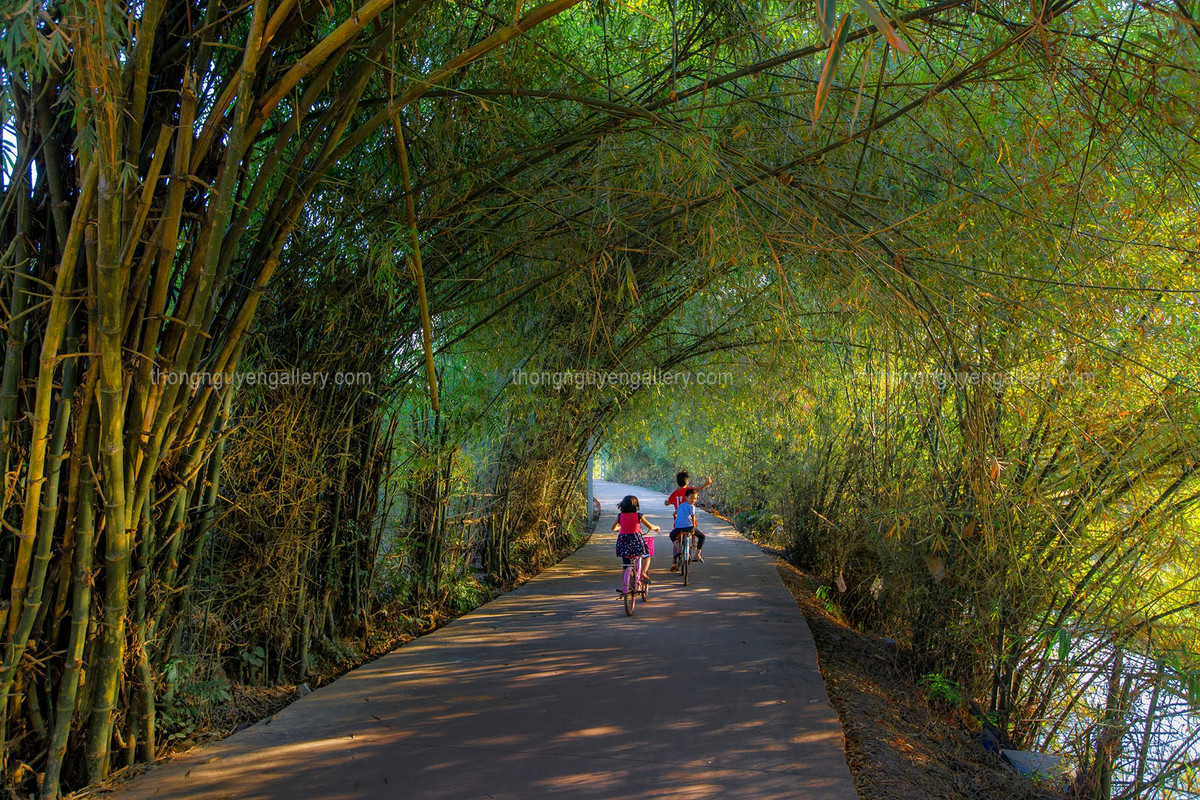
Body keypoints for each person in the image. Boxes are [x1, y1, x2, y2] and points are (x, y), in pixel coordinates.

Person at [611, 495, 659, 592]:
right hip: (636, 541)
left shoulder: (620, 516)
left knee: (626, 565)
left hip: (623, 543)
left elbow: (613, 528)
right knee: (647, 556)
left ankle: (627, 587)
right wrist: (656, 527)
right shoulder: (639, 516)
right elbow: (650, 526)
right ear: (636, 506)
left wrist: (620, 529)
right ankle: (643, 572)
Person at [666, 472, 709, 569]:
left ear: (677, 482)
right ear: (687, 481)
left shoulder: (675, 493)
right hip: (689, 523)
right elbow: (697, 489)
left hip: (678, 521)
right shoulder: (689, 490)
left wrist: (667, 502)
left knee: (677, 539)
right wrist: (707, 483)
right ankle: (694, 545)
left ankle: (674, 562)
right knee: (694, 530)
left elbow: (667, 503)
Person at [669, 487, 706, 569]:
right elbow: (693, 517)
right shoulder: (692, 507)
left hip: (679, 528)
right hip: (689, 527)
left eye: (695, 498)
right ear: (686, 498)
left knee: (672, 535)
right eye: (691, 498)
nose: (693, 500)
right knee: (702, 536)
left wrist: (676, 519)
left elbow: (674, 513)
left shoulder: (681, 505)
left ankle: (678, 548)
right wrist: (694, 527)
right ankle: (697, 554)